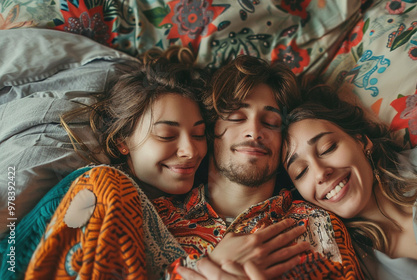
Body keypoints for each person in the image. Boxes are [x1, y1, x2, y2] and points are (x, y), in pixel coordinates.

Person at [150, 55, 365, 279]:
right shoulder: (157, 217)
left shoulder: (314, 225)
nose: (254, 131)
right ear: (211, 128)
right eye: (236, 117)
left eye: (270, 122)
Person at [20, 46, 211, 279]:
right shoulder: (99, 187)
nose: (190, 151)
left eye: (199, 135)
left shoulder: (201, 207)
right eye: (166, 135)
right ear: (122, 141)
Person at [281, 83, 417, 279]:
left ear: (361, 140)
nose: (320, 173)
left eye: (327, 148)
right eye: (301, 172)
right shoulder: (347, 264)